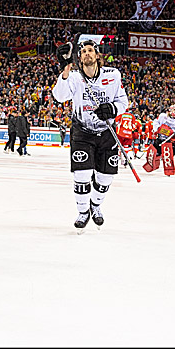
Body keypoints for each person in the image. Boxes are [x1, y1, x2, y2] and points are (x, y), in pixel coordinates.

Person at [52, 39, 130, 232]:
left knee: (105, 178)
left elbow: (123, 102)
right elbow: (60, 97)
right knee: (82, 174)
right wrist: (65, 69)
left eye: (90, 50)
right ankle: (82, 212)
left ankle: (95, 205)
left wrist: (112, 108)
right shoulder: (74, 77)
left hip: (107, 132)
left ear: (97, 55)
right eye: (83, 51)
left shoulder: (113, 75)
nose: (87, 53)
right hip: (82, 131)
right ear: (79, 57)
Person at [144, 104, 175, 176]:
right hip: (161, 138)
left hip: (171, 141)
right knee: (155, 152)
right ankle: (151, 165)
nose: (174, 112)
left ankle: (169, 171)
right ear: (170, 110)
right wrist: (157, 129)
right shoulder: (163, 116)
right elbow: (156, 122)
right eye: (173, 110)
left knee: (169, 156)